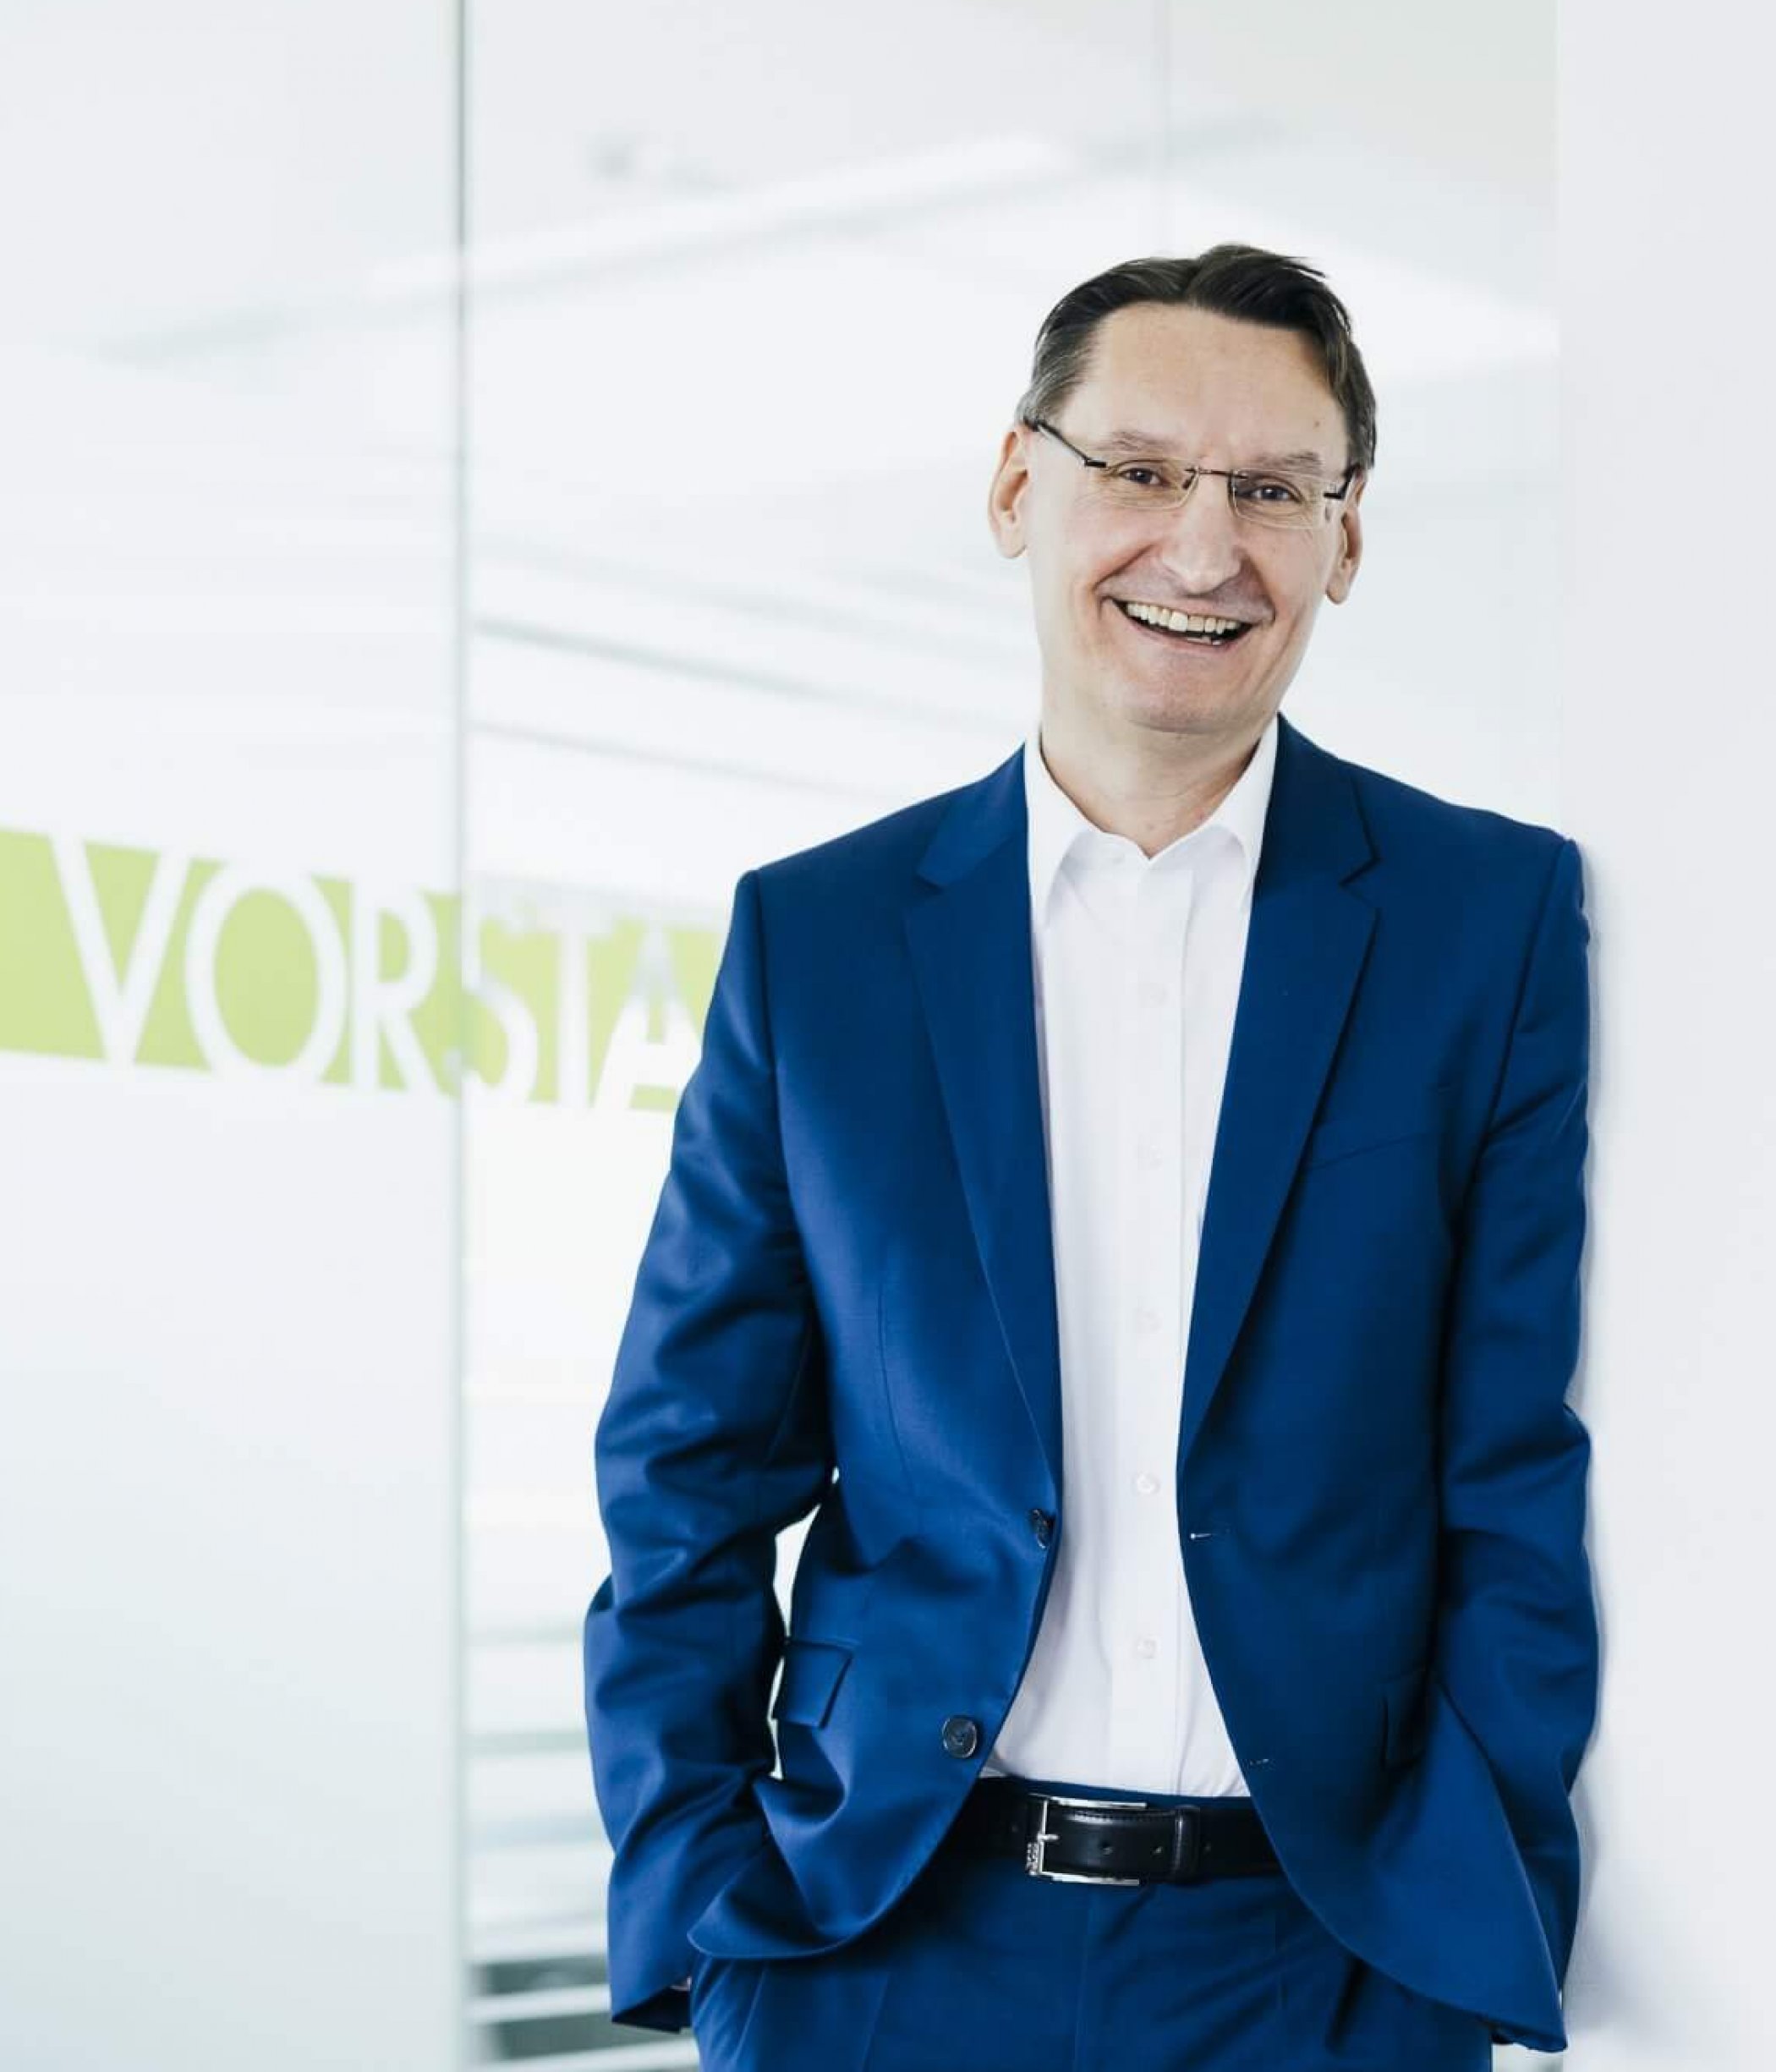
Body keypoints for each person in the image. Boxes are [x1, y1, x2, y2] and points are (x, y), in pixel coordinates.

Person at [583, 244, 1598, 2070]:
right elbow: (686, 1473)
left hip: (1324, 1968)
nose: (1204, 550)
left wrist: (1462, 1918)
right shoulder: (819, 942)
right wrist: (703, 1911)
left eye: (1274, 490)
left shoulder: (1487, 920)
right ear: (1014, 487)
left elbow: (1509, 1466)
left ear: (1346, 539)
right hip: (877, 1945)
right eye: (1137, 470)